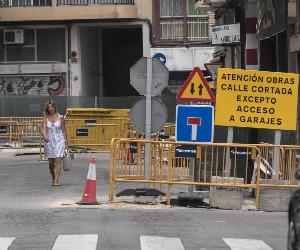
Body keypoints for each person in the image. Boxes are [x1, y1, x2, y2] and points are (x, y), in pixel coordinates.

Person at [41, 100, 67, 186]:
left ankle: (56, 180)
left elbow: (63, 130)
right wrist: (45, 136)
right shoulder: (46, 117)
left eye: (52, 107)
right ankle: (53, 176)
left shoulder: (61, 117)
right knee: (51, 163)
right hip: (49, 141)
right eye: (49, 107)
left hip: (59, 140)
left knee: (58, 160)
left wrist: (65, 141)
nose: (50, 108)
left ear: (55, 107)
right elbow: (44, 128)